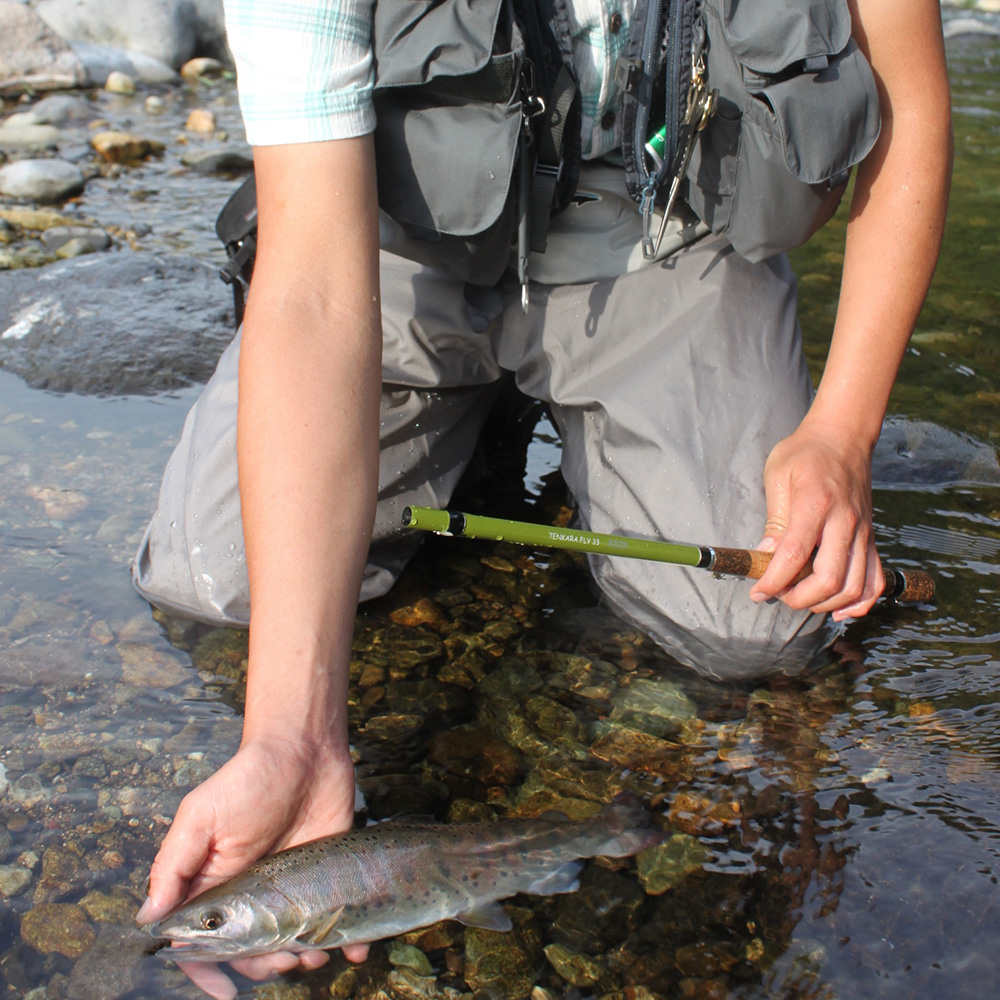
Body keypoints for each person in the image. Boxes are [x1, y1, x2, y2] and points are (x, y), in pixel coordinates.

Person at [132, 0, 952, 995]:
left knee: (758, 627)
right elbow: (308, 288)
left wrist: (839, 432)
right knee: (216, 577)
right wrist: (290, 736)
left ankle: (564, 445)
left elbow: (907, 113)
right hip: (389, 253)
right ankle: (478, 437)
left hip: (668, 244)